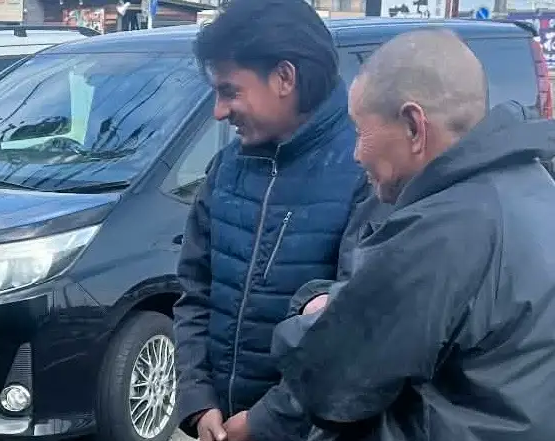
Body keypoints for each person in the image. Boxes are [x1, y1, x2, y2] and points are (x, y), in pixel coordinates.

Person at [274, 28, 555, 441]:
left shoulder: (442, 230)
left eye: (359, 130)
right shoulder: (535, 188)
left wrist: (312, 311)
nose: (356, 154)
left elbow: (330, 384)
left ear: (413, 126)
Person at [172, 0, 387, 440]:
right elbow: (194, 293)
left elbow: (354, 331)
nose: (218, 110)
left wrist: (265, 422)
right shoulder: (225, 169)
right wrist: (198, 399)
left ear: (285, 78)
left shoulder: (366, 173)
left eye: (230, 91)